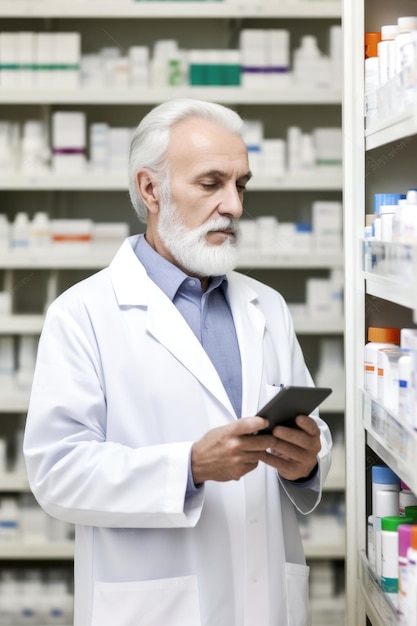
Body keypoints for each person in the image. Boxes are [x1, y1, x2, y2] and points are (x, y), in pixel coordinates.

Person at [23, 99, 332, 626]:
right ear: (151, 190)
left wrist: (307, 461)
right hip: (154, 607)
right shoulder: (84, 313)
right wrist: (188, 467)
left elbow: (313, 436)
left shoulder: (267, 306)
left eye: (242, 185)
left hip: (267, 605)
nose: (234, 205)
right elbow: (58, 472)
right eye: (212, 184)